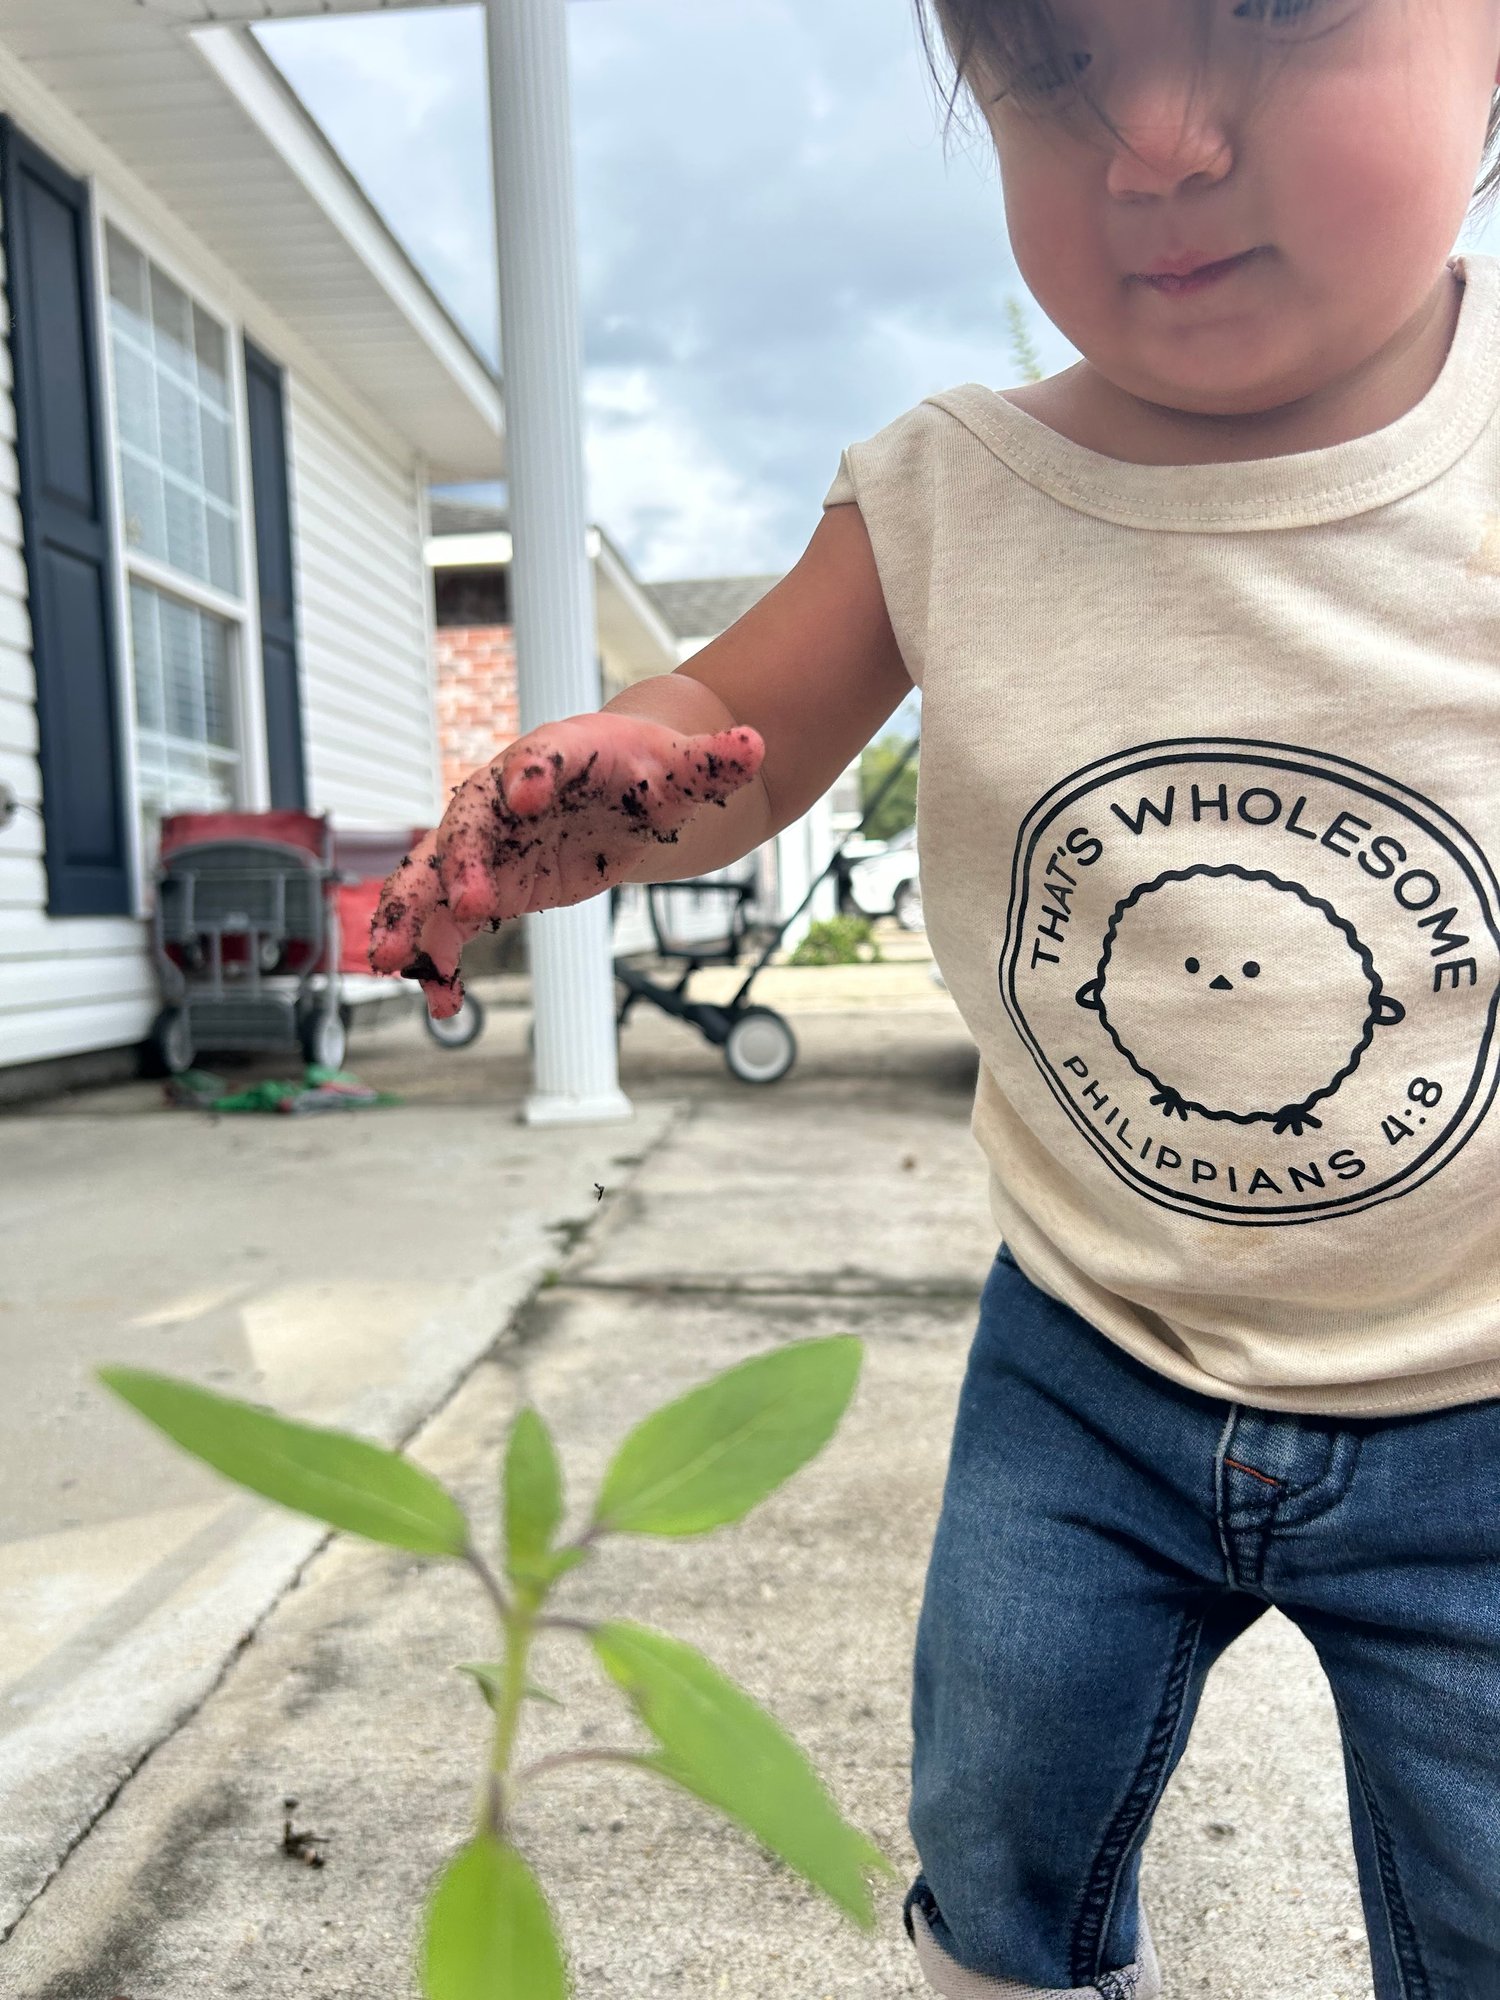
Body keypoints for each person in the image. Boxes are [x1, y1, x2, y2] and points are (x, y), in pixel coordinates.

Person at [372, 2, 1500, 1992]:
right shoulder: (948, 491)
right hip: (1090, 1358)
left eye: (1269, 12)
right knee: (996, 1803)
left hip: (1477, 1404)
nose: (1154, 138)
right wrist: (613, 780)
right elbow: (735, 732)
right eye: (1055, 63)